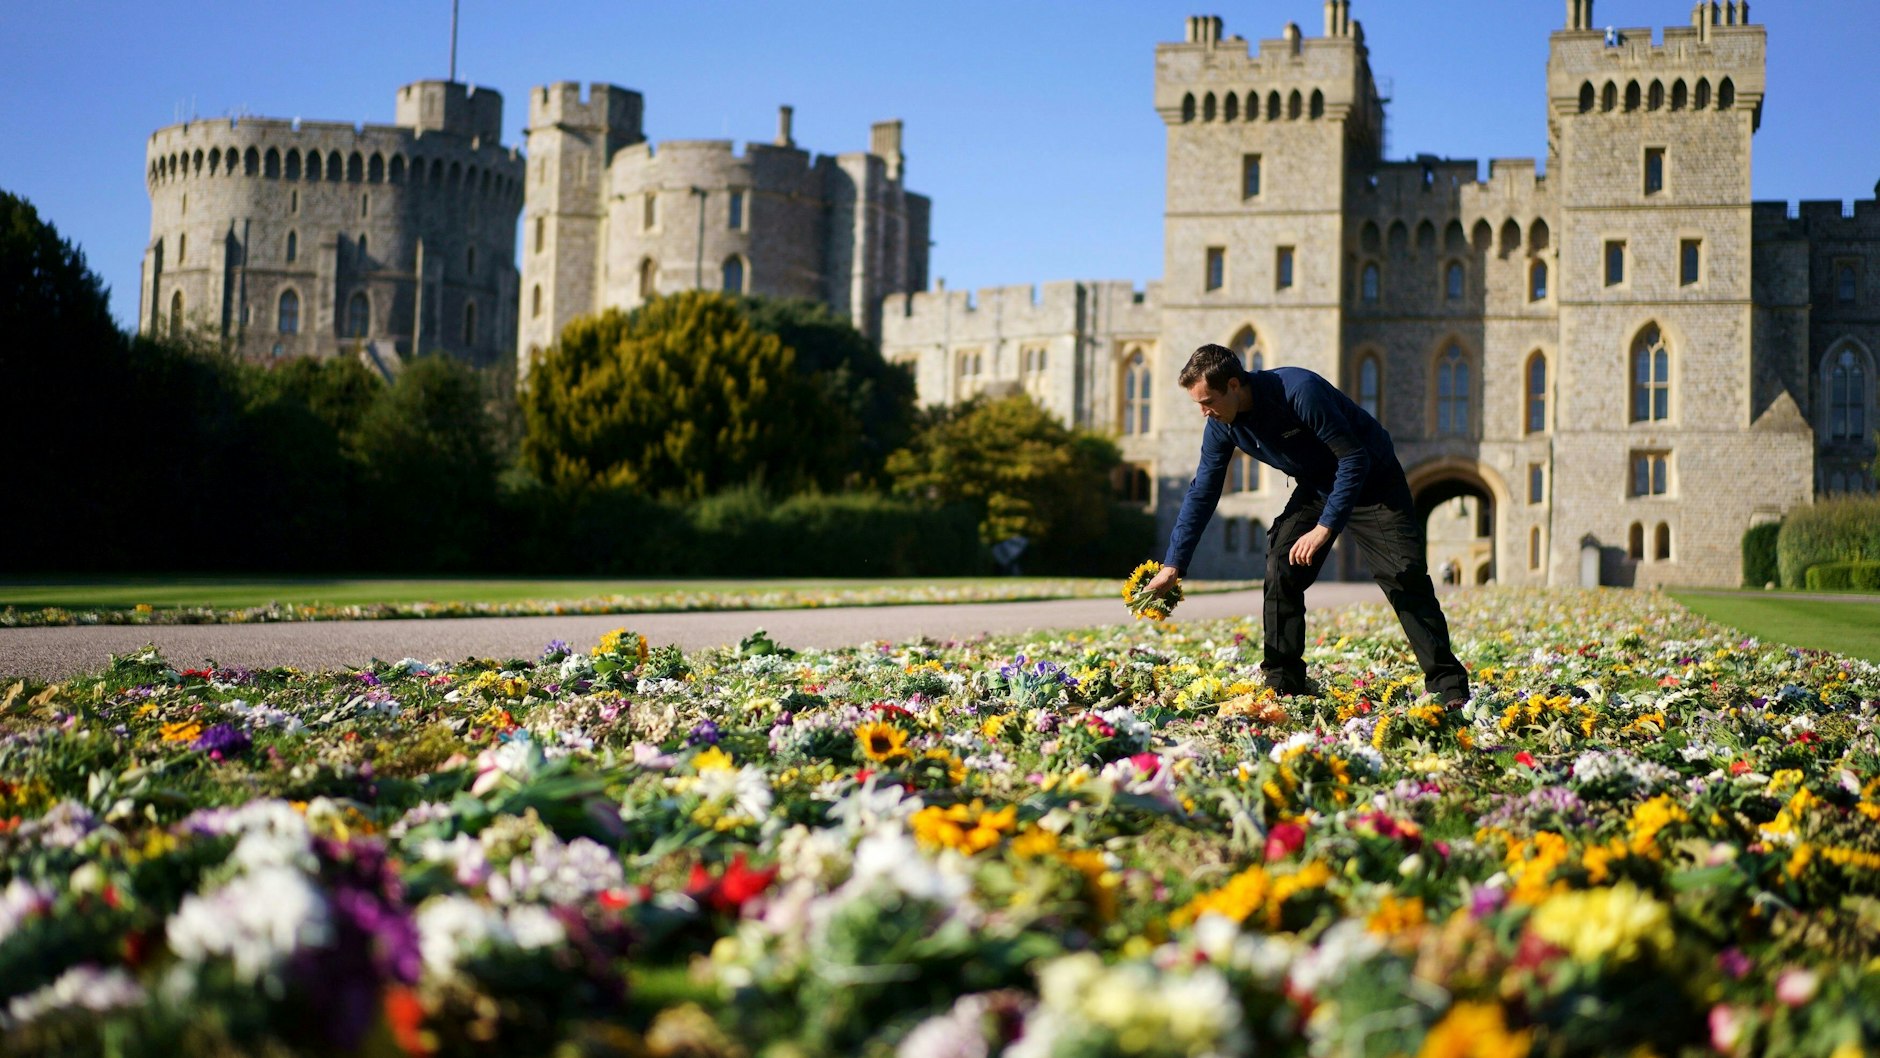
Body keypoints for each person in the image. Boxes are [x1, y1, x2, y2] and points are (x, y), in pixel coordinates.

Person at [1142, 344, 1470, 706]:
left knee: (1404, 576)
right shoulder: (1222, 426)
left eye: (1208, 401)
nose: (1204, 412)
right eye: (1198, 405)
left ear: (1234, 385)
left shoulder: (1299, 390)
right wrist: (1174, 564)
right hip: (1317, 486)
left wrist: (1325, 527)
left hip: (1374, 482)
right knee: (1281, 563)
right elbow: (1202, 492)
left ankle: (1448, 684)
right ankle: (1283, 681)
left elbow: (1353, 458)